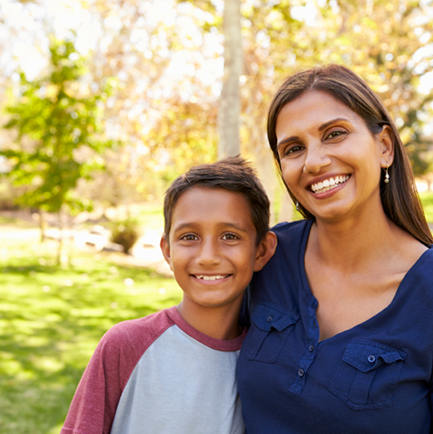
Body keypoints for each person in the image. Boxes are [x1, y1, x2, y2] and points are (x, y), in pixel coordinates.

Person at [236, 65, 433, 433]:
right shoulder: (266, 258)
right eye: (294, 148)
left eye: (334, 134)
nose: (314, 161)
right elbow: (196, 349)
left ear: (384, 147)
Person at [61, 156, 277, 434]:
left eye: (230, 236)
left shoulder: (266, 360)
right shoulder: (124, 346)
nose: (208, 257)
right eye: (189, 237)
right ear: (167, 250)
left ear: (261, 250)